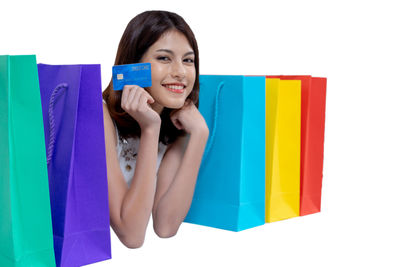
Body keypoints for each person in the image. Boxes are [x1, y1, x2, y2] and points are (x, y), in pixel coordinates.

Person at [102, 10, 209, 249]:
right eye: (164, 58)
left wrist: (200, 135)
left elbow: (165, 226)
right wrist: (150, 129)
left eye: (188, 60)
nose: (181, 72)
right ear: (133, 66)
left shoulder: (175, 120)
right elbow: (132, 235)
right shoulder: (99, 116)